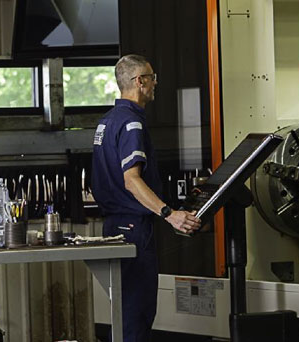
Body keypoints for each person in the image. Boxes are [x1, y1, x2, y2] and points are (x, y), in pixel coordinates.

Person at [91, 54, 202, 342]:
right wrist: (170, 214)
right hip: (134, 229)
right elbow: (131, 180)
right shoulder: (132, 124)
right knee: (137, 315)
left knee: (124, 313)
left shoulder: (107, 121)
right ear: (140, 81)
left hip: (114, 226)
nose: (156, 84)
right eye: (152, 78)